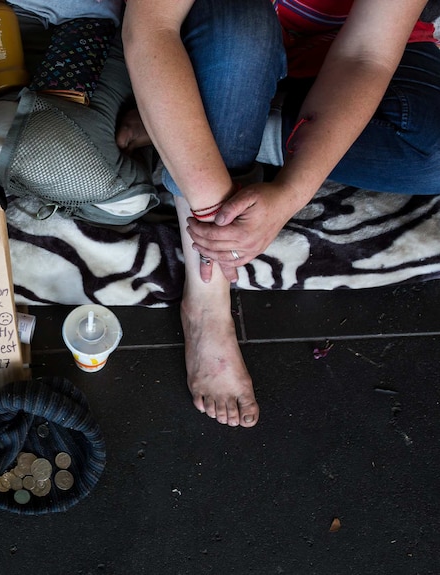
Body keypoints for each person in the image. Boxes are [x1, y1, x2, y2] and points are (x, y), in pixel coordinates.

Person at [118, 0, 440, 427]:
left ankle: (195, 124)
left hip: (348, 51)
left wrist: (292, 193)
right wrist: (215, 211)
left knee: (433, 155)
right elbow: (151, 28)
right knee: (241, 33)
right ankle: (206, 305)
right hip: (230, 33)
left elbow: (365, 55)